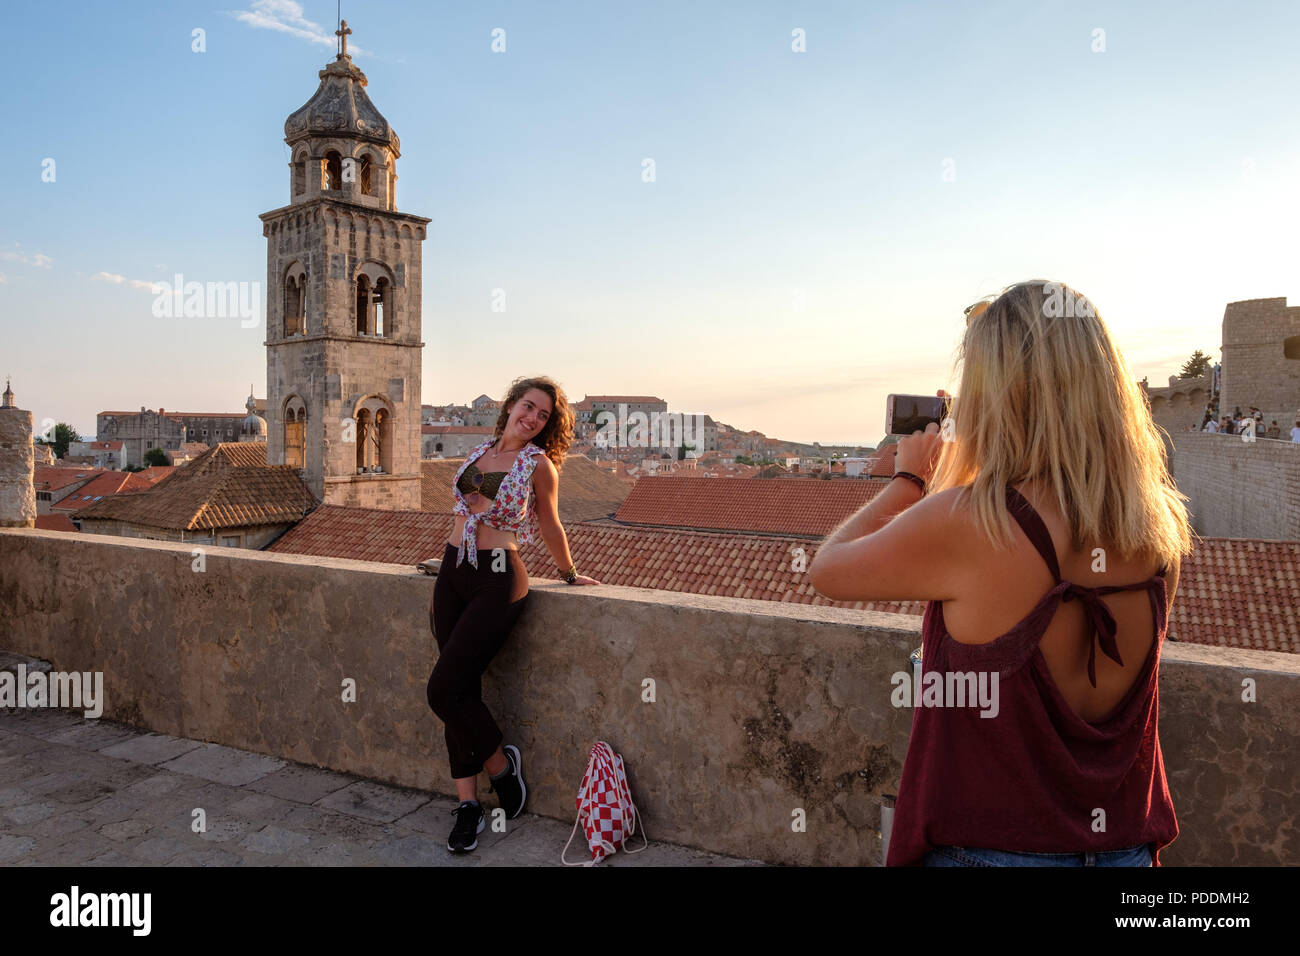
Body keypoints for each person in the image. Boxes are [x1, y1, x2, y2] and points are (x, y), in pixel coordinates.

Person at [809, 280, 1191, 867]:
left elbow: (828, 570)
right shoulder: (1159, 527)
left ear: (993, 393)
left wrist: (908, 480)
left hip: (993, 852)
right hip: (1122, 851)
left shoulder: (973, 523)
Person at [426, 375, 600, 853]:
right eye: (529, 406)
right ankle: (467, 806)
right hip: (452, 572)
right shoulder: (480, 449)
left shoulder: (538, 463)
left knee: (442, 689)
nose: (533, 418)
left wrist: (568, 574)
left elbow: (549, 522)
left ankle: (502, 769)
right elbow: (462, 512)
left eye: (543, 415)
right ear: (511, 406)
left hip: (499, 575)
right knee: (458, 690)